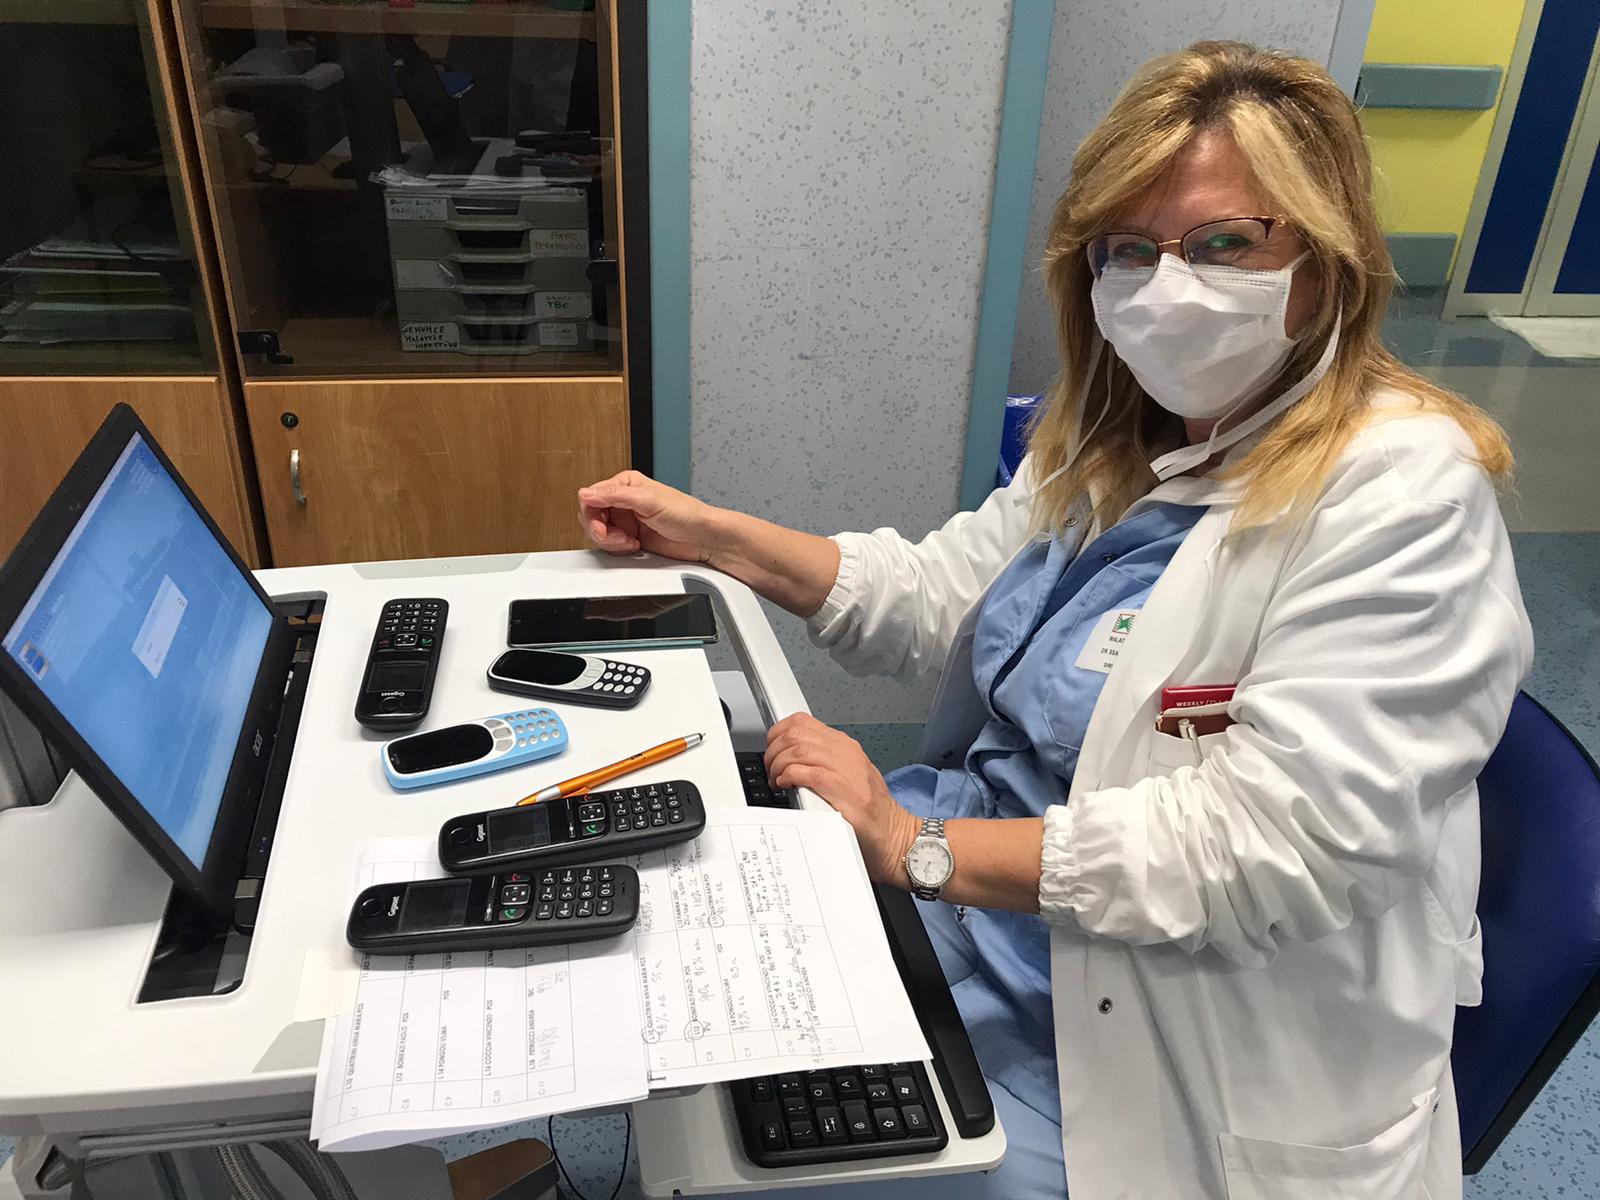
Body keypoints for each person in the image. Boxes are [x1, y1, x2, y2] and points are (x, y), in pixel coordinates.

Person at [579, 41, 1532, 1200]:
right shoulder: (1115, 439)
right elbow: (938, 598)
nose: (1166, 286)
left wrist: (914, 844)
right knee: (674, 961)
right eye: (1129, 249)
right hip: (974, 909)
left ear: (1324, 267)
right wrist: (712, 537)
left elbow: (1267, 848)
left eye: (1223, 243)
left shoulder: (1403, 491)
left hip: (1153, 1043)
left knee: (732, 1145)